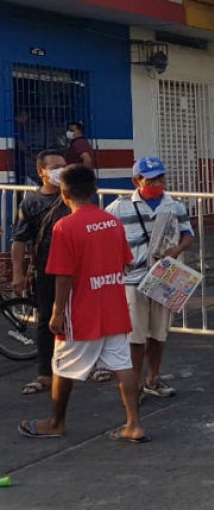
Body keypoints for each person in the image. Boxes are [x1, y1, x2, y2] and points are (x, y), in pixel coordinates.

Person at [18, 165, 146, 442]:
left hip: (81, 311)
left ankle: (55, 422)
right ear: (95, 189)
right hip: (113, 306)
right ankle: (134, 424)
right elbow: (125, 262)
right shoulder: (112, 223)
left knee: (62, 367)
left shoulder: (65, 226)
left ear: (64, 193)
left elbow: (63, 275)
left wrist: (56, 312)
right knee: (122, 365)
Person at [106, 157, 195, 399]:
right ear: (137, 180)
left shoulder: (174, 205)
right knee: (136, 336)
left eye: (160, 177)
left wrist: (175, 251)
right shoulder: (119, 207)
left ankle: (153, 378)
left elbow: (188, 235)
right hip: (133, 279)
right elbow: (106, 239)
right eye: (151, 178)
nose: (157, 182)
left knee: (159, 334)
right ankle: (133, 383)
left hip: (165, 277)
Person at [12, 149, 72, 395]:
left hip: (77, 270)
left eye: (64, 165)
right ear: (41, 172)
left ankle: (92, 366)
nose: (62, 170)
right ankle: (45, 374)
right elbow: (19, 240)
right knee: (47, 319)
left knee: (81, 317)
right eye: (56, 166)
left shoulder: (73, 197)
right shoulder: (30, 203)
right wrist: (18, 272)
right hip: (47, 269)